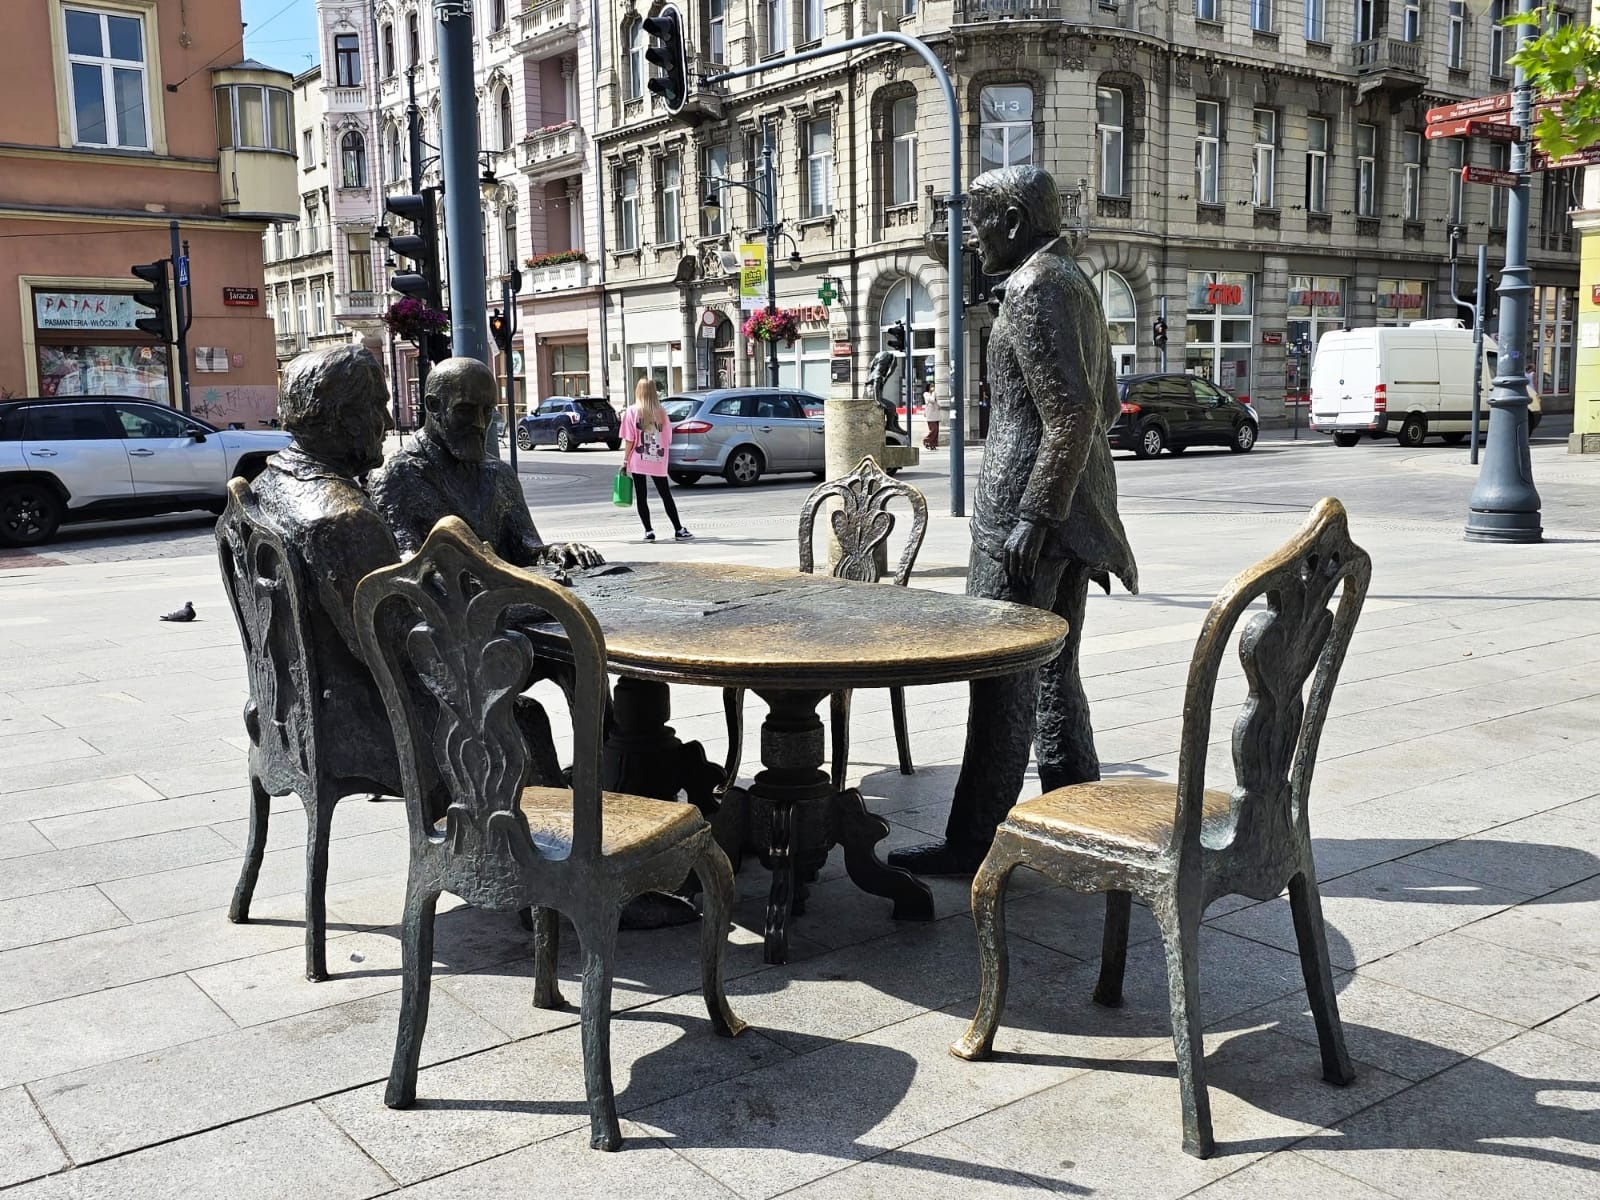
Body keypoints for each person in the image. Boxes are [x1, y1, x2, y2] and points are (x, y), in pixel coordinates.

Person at [889, 165, 1139, 877]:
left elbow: (1075, 412)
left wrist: (1034, 513)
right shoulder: (1075, 280)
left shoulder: (1034, 288)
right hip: (1068, 514)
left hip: (1024, 522)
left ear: (1011, 222)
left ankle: (975, 841)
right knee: (1056, 676)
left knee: (1000, 682)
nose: (970, 238)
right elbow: (1104, 404)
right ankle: (1076, 824)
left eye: (976, 224)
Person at [247, 346, 404, 792]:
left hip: (285, 719)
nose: (388, 422)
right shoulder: (343, 517)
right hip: (357, 730)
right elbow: (392, 648)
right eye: (378, 406)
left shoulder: (265, 486)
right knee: (520, 719)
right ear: (342, 417)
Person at [368, 357, 602, 569]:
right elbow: (405, 567)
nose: (480, 423)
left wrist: (556, 552)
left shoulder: (500, 474)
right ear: (434, 406)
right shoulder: (395, 475)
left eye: (487, 411)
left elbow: (528, 549)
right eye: (465, 410)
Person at [619, 378, 691, 543]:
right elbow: (668, 438)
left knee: (641, 496)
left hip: (638, 458)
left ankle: (649, 531)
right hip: (658, 459)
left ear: (638, 391)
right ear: (653, 392)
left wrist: (625, 461)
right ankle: (678, 529)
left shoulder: (631, 412)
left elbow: (629, 439)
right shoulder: (661, 412)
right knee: (665, 494)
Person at [922, 378, 940, 450]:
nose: (932, 388)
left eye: (933, 386)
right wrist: (933, 393)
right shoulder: (926, 394)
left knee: (937, 430)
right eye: (931, 386)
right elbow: (932, 400)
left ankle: (933, 444)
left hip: (936, 414)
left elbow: (936, 402)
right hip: (930, 414)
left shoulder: (934, 394)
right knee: (933, 429)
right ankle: (926, 440)